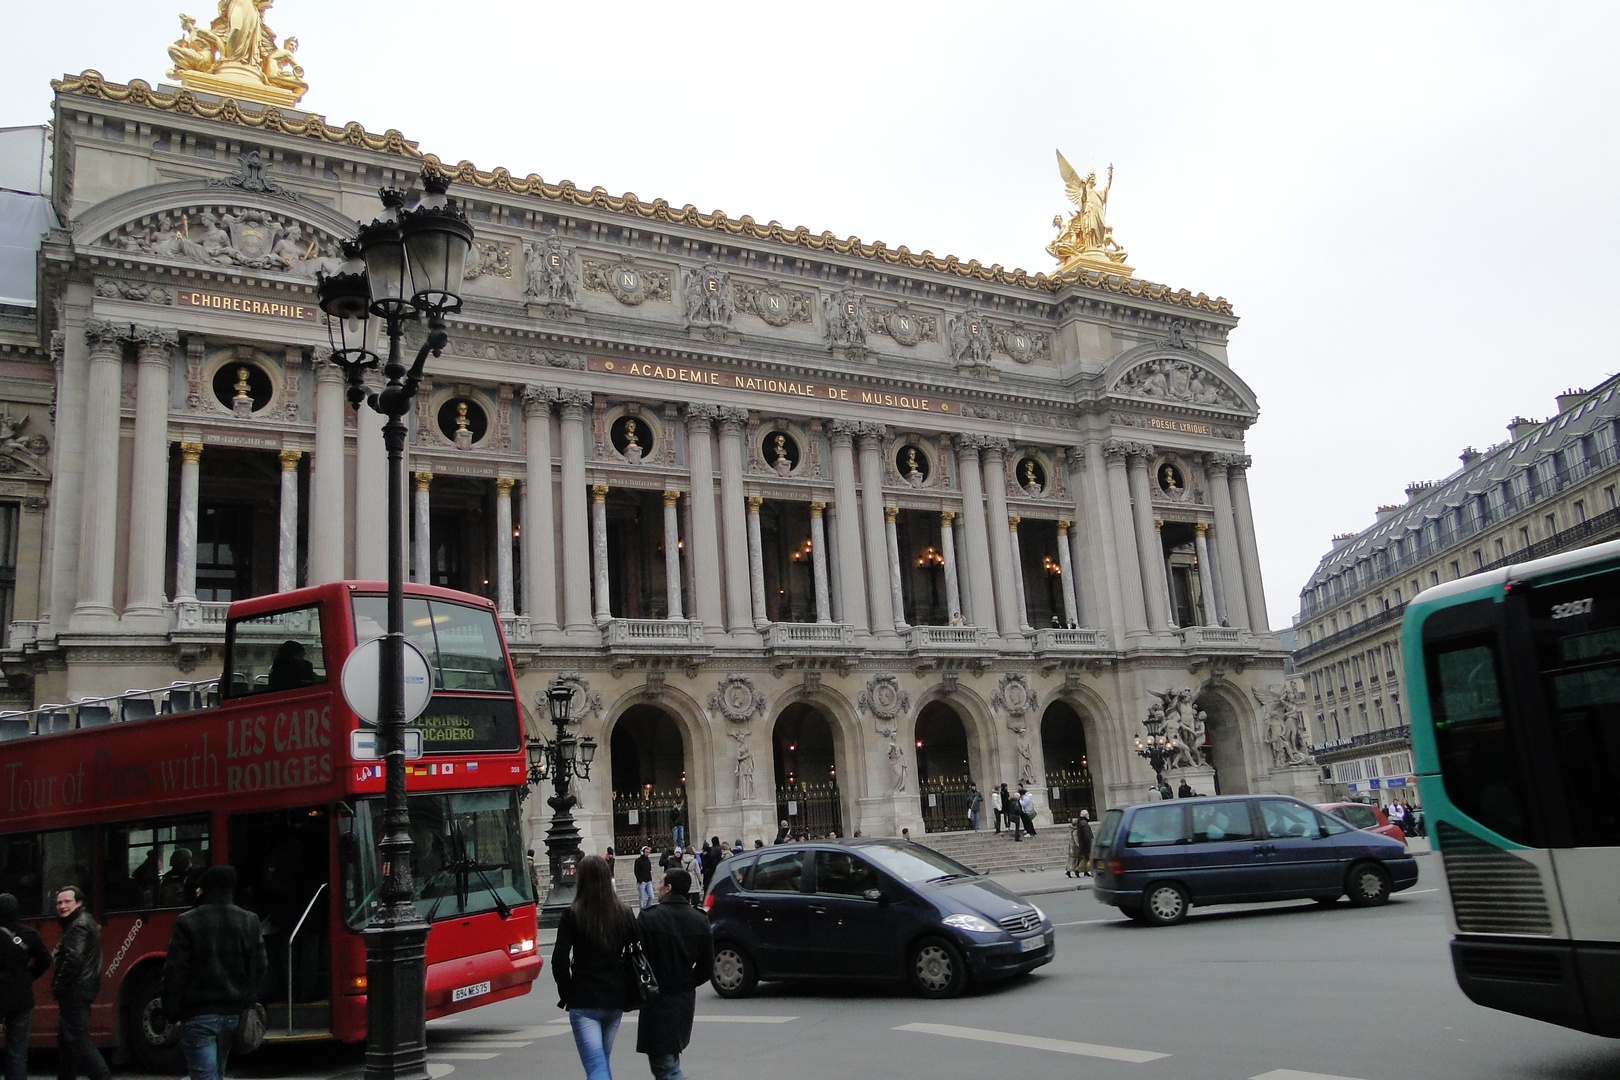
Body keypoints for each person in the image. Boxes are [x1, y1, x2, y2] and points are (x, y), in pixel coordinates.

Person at [161, 865, 268, 1080]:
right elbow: (261, 964)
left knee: (205, 1075)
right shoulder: (249, 920)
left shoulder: (187, 921)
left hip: (198, 1014)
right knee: (216, 1072)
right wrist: (247, 997)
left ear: (204, 889)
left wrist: (172, 1012)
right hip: (234, 1013)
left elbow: (175, 972)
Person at [552, 856, 635, 1080]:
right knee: (601, 1063)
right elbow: (636, 953)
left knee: (596, 1067)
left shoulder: (573, 913)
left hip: (584, 997)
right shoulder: (624, 913)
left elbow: (559, 961)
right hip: (614, 997)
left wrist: (567, 992)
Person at [636, 870, 714, 1080]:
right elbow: (707, 966)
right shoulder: (699, 919)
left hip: (657, 995)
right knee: (670, 1054)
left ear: (669, 887)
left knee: (665, 1065)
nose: (658, 885)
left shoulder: (649, 918)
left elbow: (637, 960)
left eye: (661, 882)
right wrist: (688, 981)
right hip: (684, 995)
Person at [51, 885, 110, 1080]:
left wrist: (58, 986)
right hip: (79, 989)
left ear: (79, 903)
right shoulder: (79, 922)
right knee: (67, 1043)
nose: (62, 906)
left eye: (67, 901)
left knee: (78, 1041)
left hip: (75, 990)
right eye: (59, 902)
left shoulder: (79, 925)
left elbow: (74, 959)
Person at [0, 892, 50, 1080]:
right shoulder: (29, 934)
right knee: (17, 1049)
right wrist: (28, 977)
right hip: (20, 995)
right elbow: (45, 960)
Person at [1066, 811, 1094, 878]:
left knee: (1085, 859)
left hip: (1083, 845)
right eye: (1087, 814)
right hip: (1086, 845)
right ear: (1085, 815)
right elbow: (1087, 836)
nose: (1088, 815)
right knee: (1090, 858)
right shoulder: (1084, 823)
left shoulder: (1081, 823)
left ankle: (1079, 870)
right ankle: (1092, 872)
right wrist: (1091, 843)